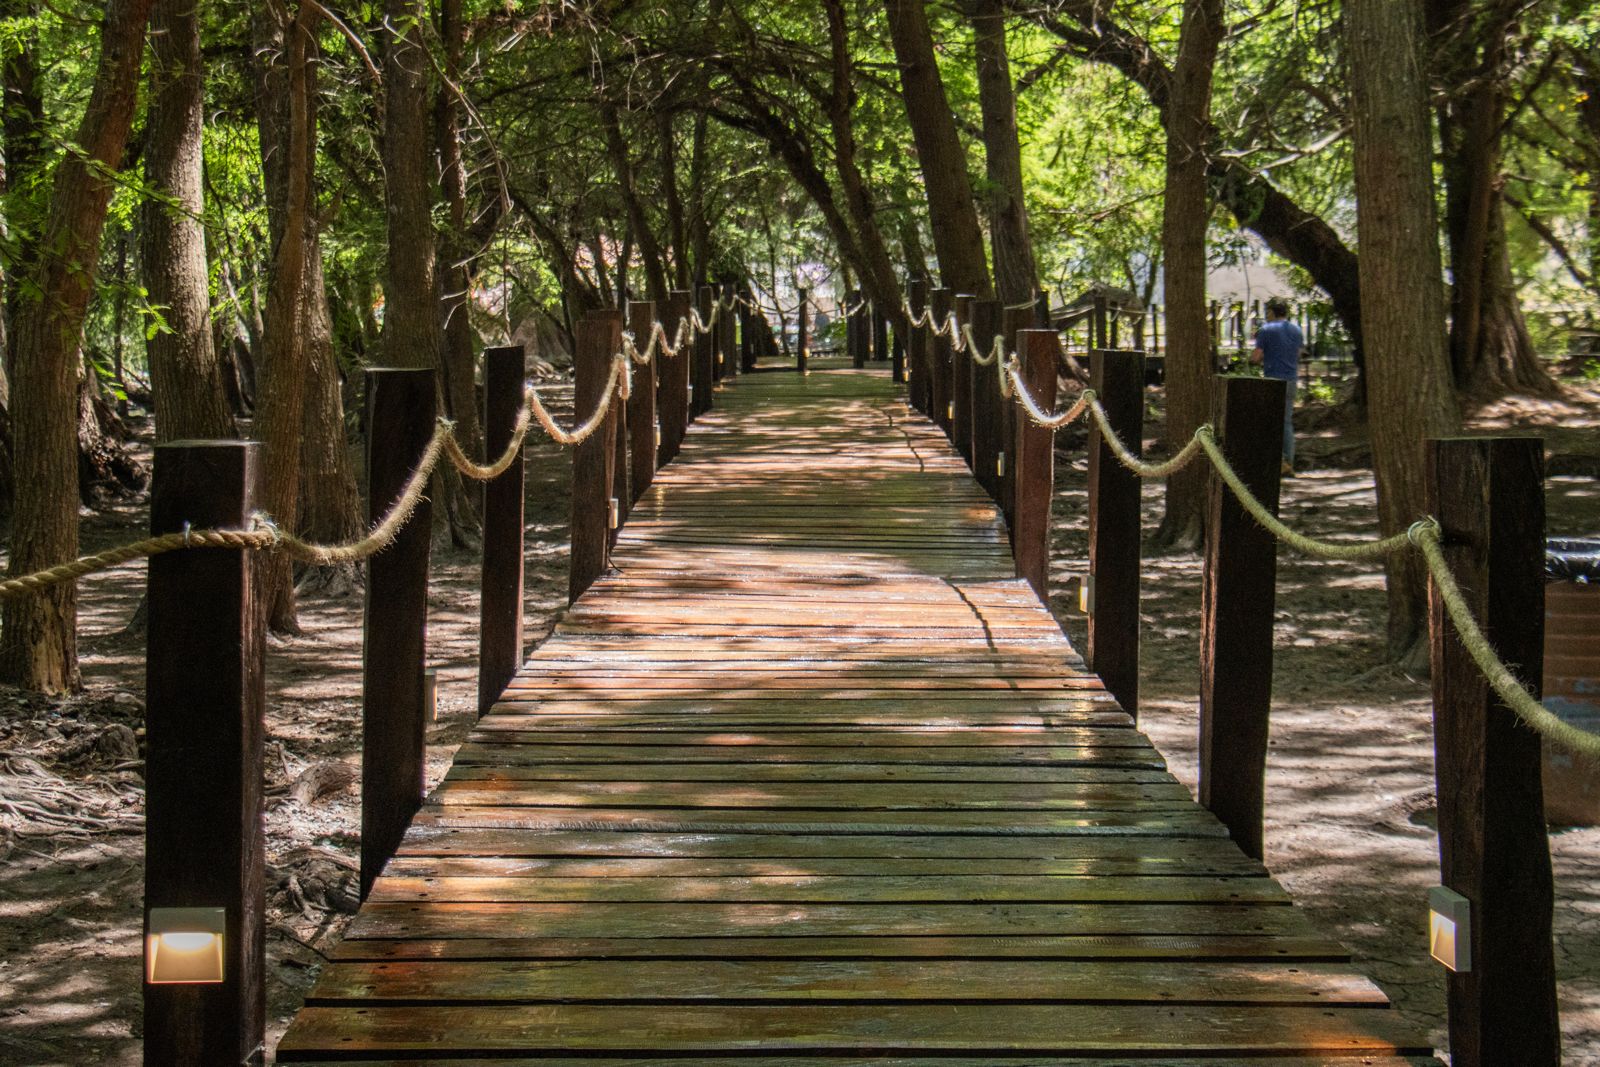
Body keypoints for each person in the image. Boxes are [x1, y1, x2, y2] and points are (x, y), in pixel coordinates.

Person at [1251, 297, 1304, 476]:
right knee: (1286, 422)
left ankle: (1274, 461)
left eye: (1268, 312)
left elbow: (1257, 356)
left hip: (1273, 380)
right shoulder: (1296, 330)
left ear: (1272, 312)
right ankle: (1288, 461)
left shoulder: (1266, 330)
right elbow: (1297, 353)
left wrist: (1251, 360)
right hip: (1291, 379)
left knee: (1270, 421)